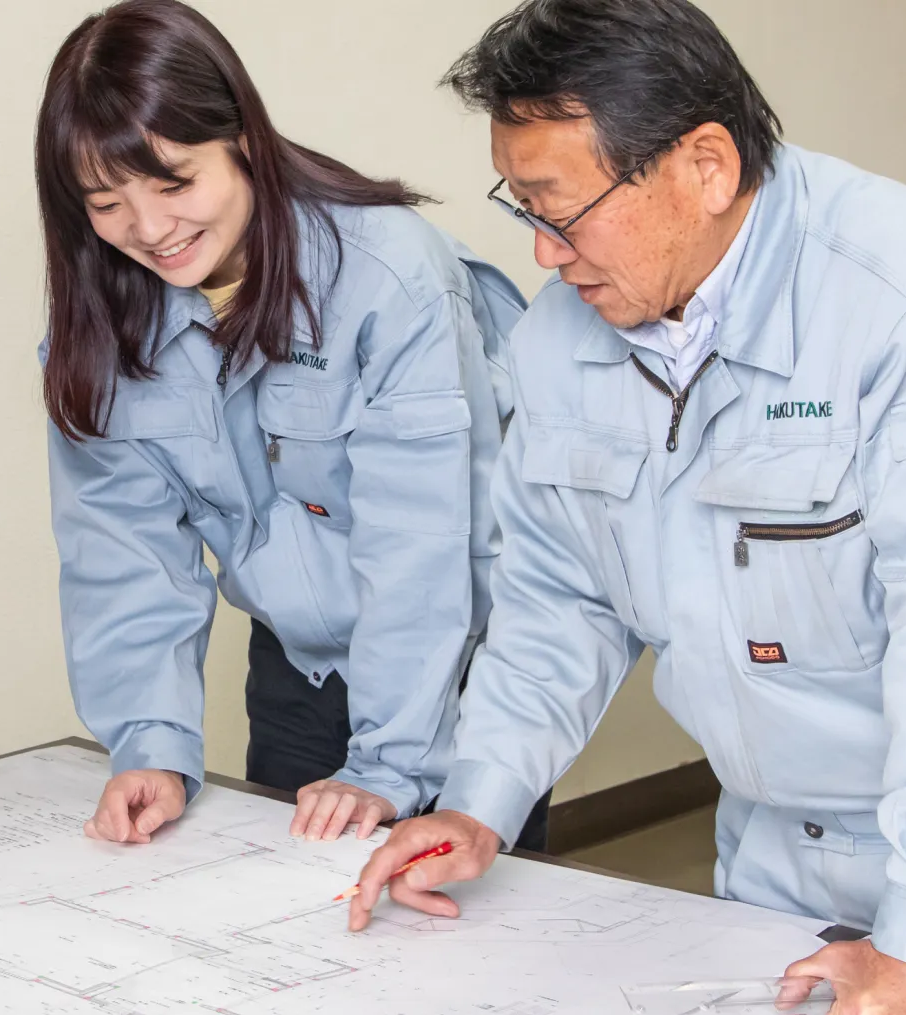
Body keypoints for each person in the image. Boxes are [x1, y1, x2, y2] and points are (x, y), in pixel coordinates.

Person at [346, 1, 906, 1010]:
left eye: (561, 209)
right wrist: (479, 802)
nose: (546, 254)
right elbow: (558, 599)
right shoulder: (564, 337)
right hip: (777, 839)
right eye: (524, 212)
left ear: (706, 166)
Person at [36, 0, 544, 852]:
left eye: (174, 182)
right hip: (296, 664)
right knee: (291, 910)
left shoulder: (388, 275)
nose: (150, 229)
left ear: (242, 138)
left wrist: (387, 764)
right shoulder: (102, 326)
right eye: (105, 201)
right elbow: (121, 554)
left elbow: (420, 547)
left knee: (464, 924)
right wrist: (151, 745)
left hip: (458, 661)